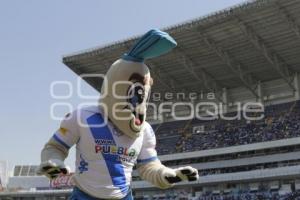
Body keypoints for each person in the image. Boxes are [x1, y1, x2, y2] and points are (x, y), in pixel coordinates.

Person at [37, 29, 199, 200]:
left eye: (142, 94)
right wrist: (53, 162)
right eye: (134, 93)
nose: (137, 100)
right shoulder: (83, 117)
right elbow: (56, 147)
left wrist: (167, 174)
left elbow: (148, 166)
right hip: (85, 195)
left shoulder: (144, 130)